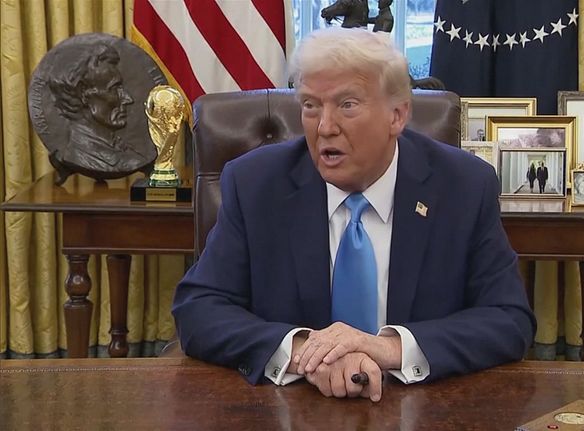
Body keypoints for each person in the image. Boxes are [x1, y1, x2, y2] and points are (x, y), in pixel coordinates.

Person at [172, 27, 535, 402]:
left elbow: (508, 318)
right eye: (311, 105)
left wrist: (388, 347)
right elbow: (199, 309)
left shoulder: (463, 186)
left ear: (397, 115)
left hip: (423, 408)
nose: (325, 127)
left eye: (347, 105)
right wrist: (306, 353)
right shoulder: (255, 184)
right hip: (288, 407)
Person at [48, 43, 147, 174]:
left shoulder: (128, 156)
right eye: (114, 88)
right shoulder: (77, 156)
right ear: (83, 92)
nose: (128, 99)